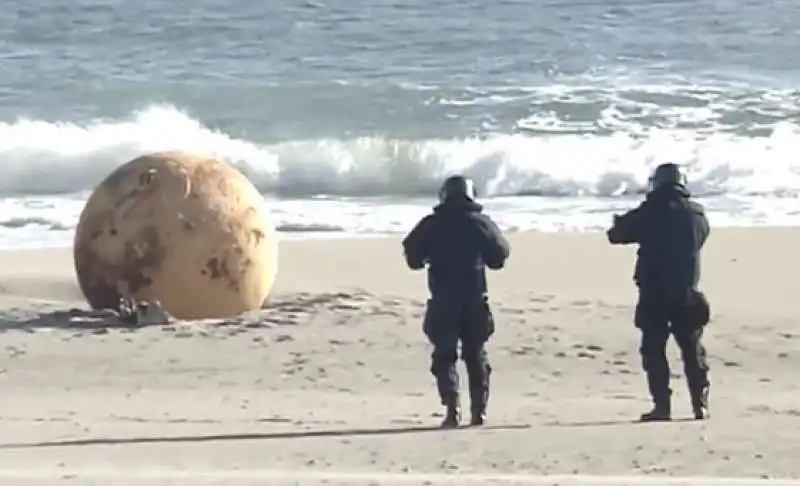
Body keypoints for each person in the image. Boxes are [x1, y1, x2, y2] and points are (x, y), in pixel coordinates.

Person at [402, 175, 510, 428]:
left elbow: (412, 258)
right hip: (474, 300)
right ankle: (478, 411)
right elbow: (500, 256)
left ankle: (452, 409)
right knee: (476, 355)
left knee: (444, 357)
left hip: (443, 301)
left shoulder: (431, 224)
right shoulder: (481, 223)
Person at [607, 163, 712, 422]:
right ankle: (700, 405)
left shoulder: (651, 211)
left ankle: (662, 407)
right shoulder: (697, 214)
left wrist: (620, 222)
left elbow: (617, 235)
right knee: (692, 349)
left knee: (654, 349)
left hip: (654, 292)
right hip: (687, 292)